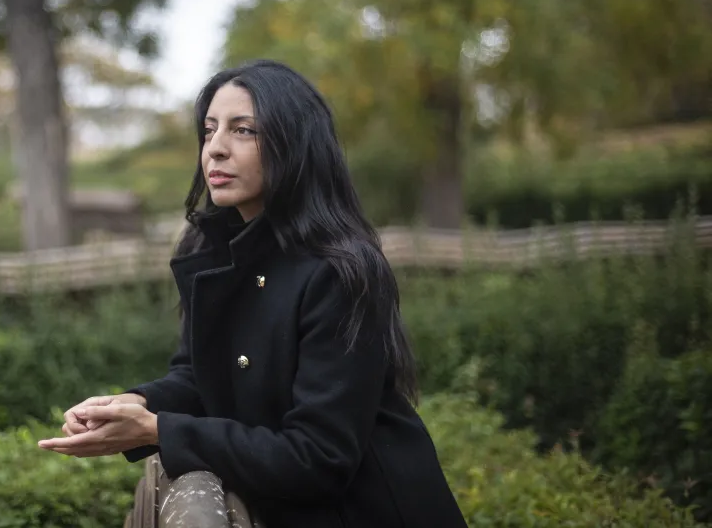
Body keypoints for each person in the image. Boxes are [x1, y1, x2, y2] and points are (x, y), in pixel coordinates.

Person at [39, 60, 467, 528]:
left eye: (244, 131)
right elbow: (199, 376)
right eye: (209, 130)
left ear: (295, 145)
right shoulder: (213, 248)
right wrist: (134, 404)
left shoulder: (338, 272)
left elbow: (318, 457)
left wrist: (158, 430)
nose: (216, 149)